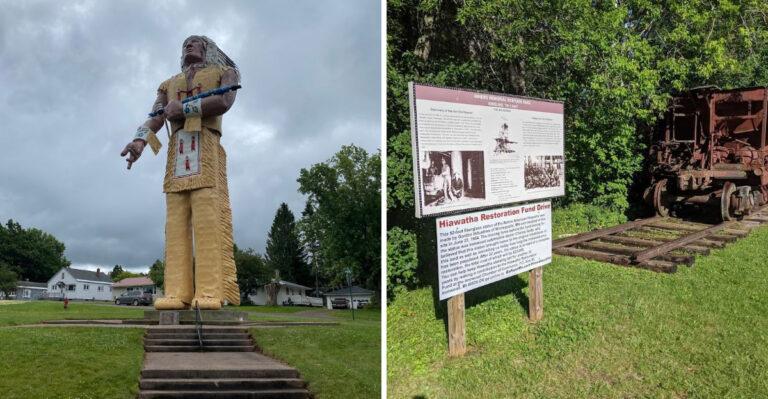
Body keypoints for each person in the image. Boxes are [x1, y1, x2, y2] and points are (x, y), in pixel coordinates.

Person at [120, 36, 240, 310]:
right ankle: (176, 292)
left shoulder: (225, 72)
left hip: (205, 146)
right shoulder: (168, 84)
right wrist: (139, 141)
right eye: (185, 43)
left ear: (208, 49)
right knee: (175, 223)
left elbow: (224, 101)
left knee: (207, 220)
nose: (188, 45)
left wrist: (184, 108)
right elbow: (156, 115)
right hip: (177, 153)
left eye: (195, 42)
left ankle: (209, 292)